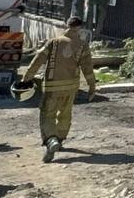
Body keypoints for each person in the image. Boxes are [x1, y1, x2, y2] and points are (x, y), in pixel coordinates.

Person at [20, 17, 96, 163]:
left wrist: (27, 77)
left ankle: (51, 140)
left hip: (52, 86)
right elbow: (87, 68)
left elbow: (38, 60)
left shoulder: (54, 42)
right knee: (65, 114)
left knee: (47, 114)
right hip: (71, 86)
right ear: (80, 28)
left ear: (66, 26)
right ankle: (60, 140)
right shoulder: (82, 45)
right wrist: (92, 86)